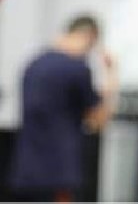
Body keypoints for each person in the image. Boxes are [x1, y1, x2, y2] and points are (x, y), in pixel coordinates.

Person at [8, 14, 119, 202]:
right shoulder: (77, 68)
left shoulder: (33, 65)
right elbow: (98, 121)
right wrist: (112, 73)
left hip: (25, 172)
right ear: (90, 37)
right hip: (60, 174)